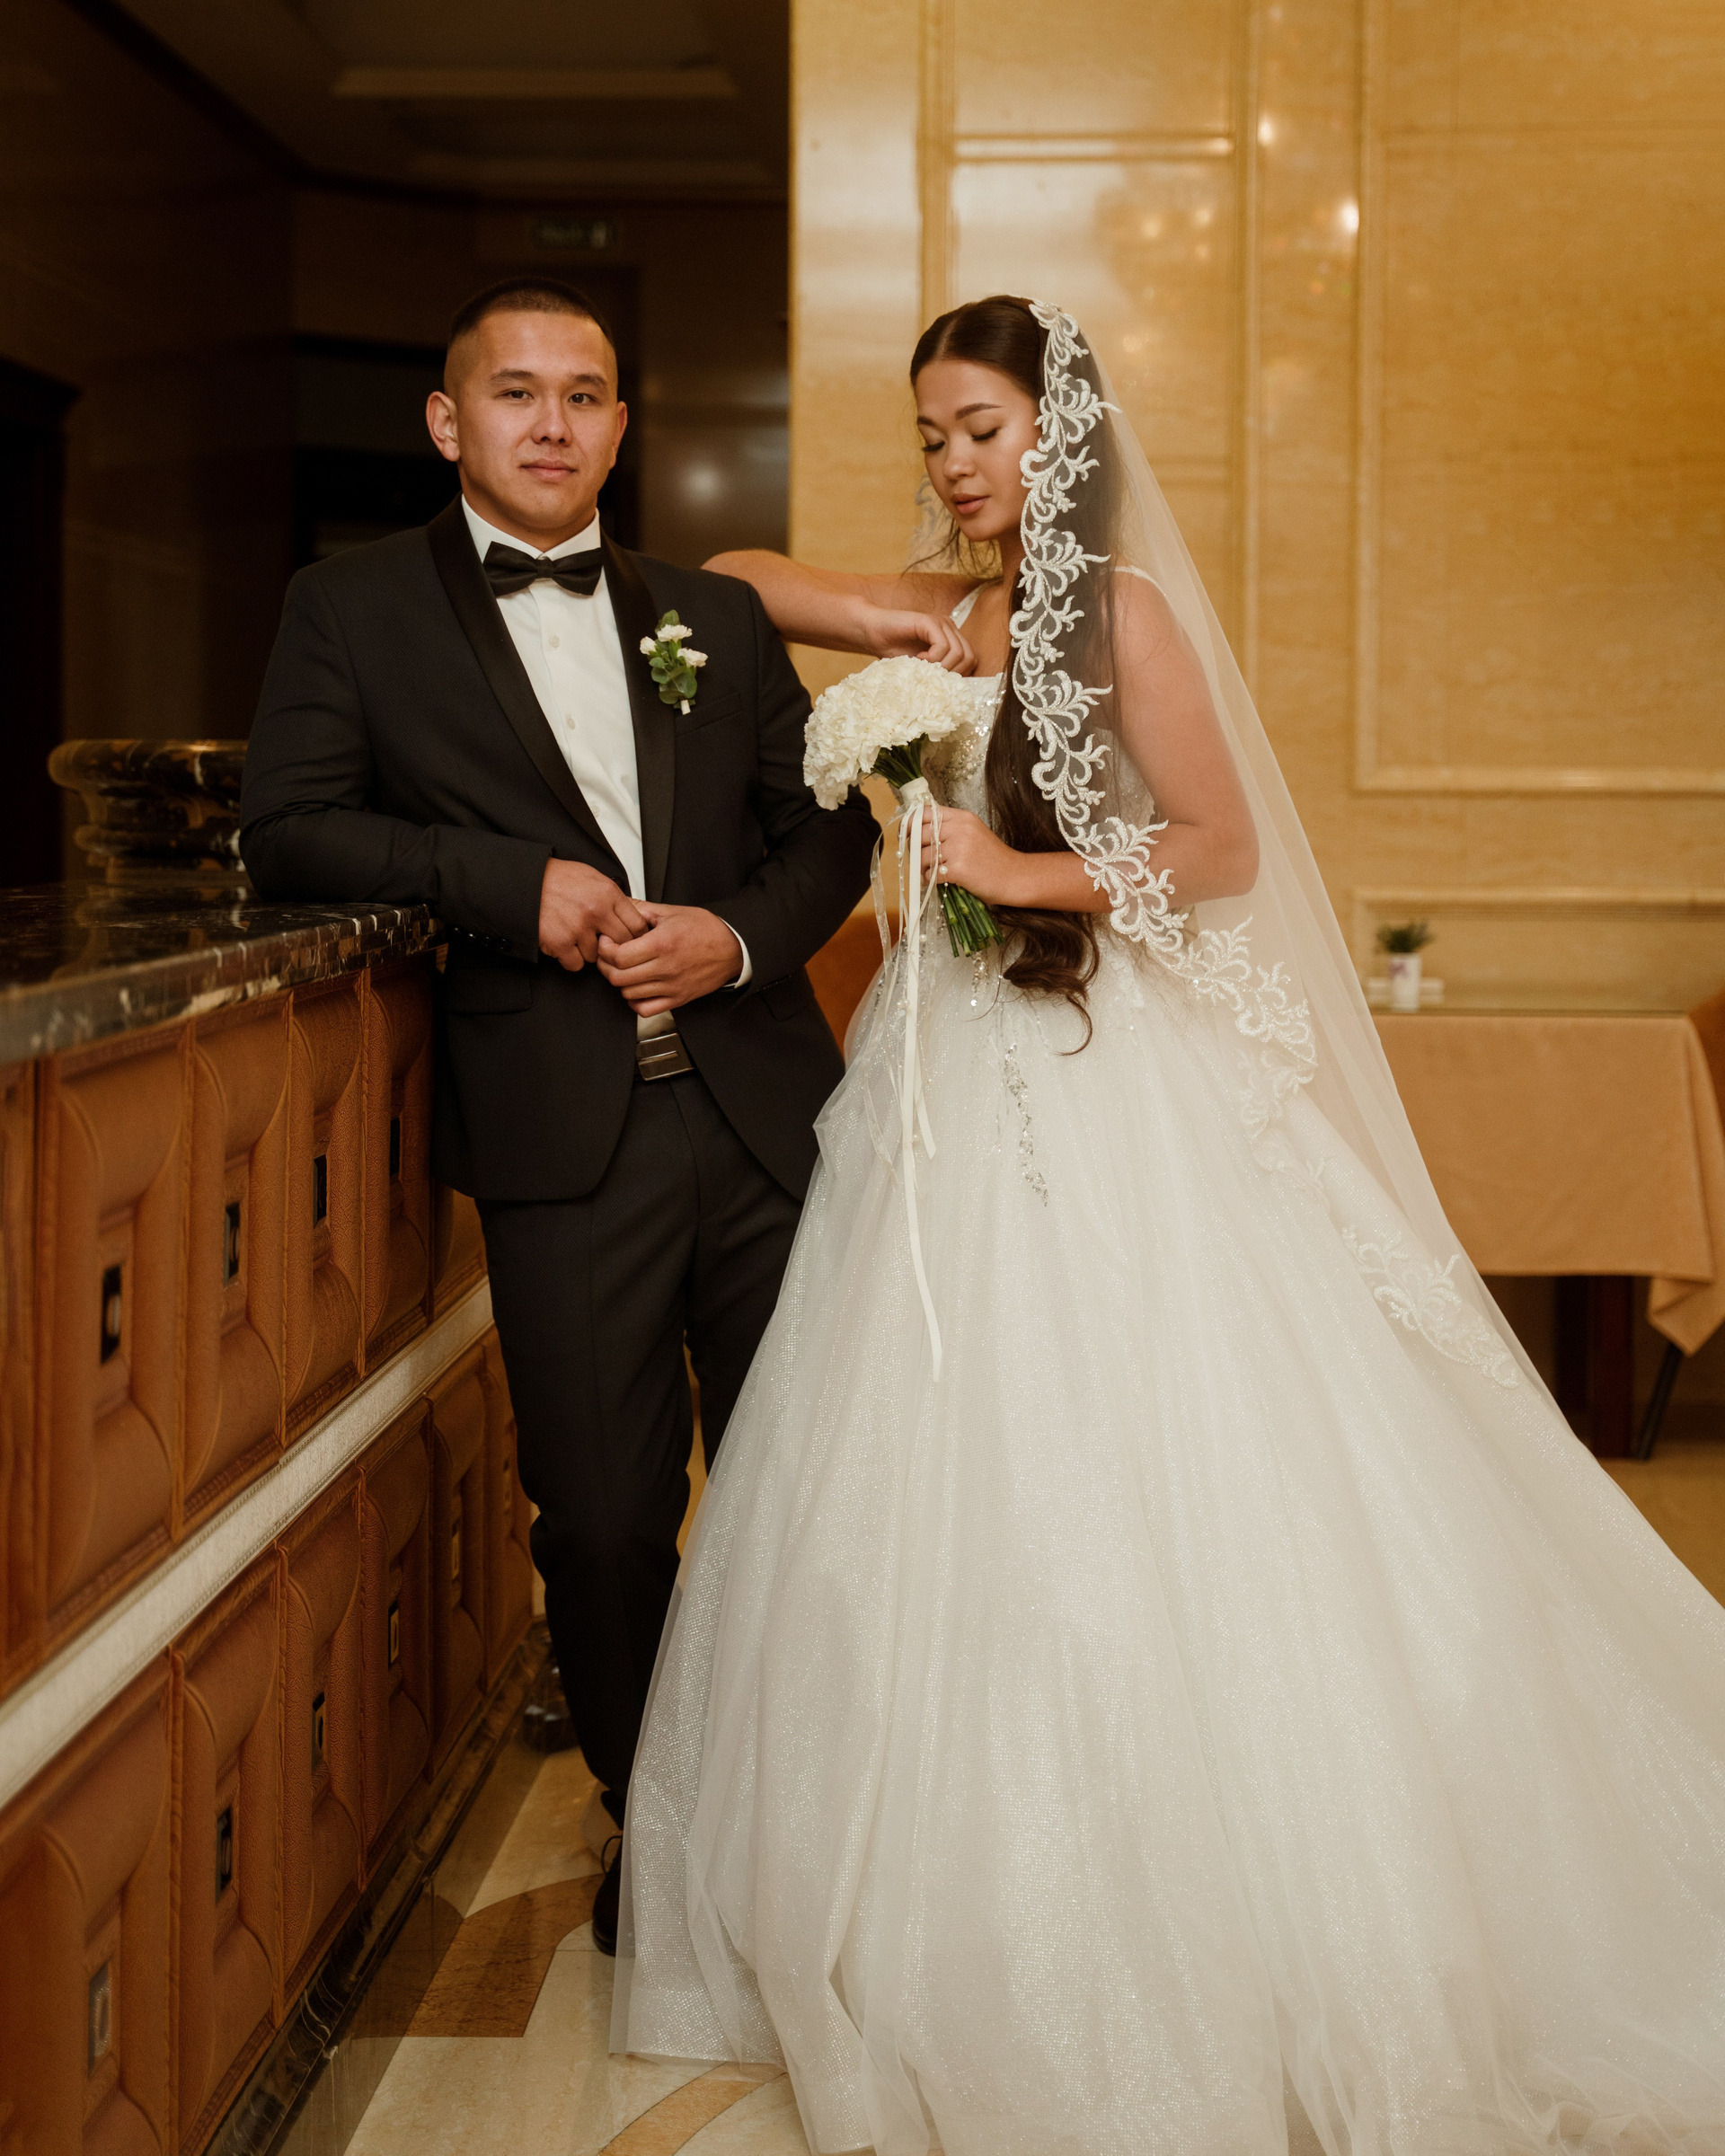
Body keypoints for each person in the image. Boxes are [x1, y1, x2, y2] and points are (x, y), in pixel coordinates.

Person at [611, 296, 1725, 2153]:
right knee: (916, 1458)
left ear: (1062, 433)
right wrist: (897, 631)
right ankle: (929, 1895)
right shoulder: (953, 607)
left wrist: (1008, 862)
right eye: (933, 434)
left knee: (1143, 1442)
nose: (956, 462)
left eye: (984, 428)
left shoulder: (1115, 611)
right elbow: (727, 577)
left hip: (1095, 1063)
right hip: (941, 1073)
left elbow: (1219, 847)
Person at [239, 278, 877, 1956]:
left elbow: (834, 831)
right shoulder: (351, 608)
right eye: (515, 393)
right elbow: (286, 828)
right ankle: (659, 1824)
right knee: (599, 1517)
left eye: (583, 395)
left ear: (619, 427)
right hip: (559, 1135)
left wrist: (736, 939)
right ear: (447, 422)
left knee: (818, 1489)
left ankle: (815, 1824)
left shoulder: (714, 617)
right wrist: (498, 883)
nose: (551, 422)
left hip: (765, 1120)